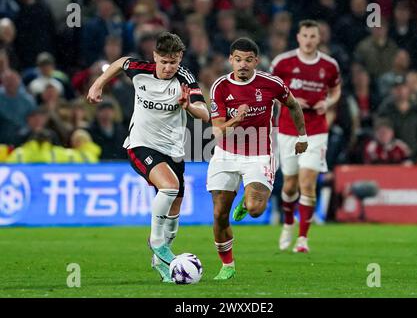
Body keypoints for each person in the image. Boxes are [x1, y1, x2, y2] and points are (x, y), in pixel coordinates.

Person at [87, 32, 209, 282]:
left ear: (180, 59)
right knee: (170, 187)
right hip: (140, 145)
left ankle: (160, 261)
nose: (167, 67)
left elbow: (205, 115)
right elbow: (121, 62)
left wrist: (189, 107)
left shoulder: (185, 79)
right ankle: (157, 244)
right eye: (163, 61)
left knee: (175, 209)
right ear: (155, 57)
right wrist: (98, 84)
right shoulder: (140, 70)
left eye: (173, 62)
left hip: (173, 150)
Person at [208, 37, 308, 280]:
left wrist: (302, 135)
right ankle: (227, 265)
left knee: (254, 210)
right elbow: (217, 130)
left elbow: (294, 105)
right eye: (238, 59)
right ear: (230, 60)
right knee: (220, 215)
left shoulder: (271, 84)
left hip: (259, 155)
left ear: (257, 61)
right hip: (226, 154)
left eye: (248, 60)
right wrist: (237, 119)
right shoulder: (219, 87)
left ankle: (246, 200)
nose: (243, 65)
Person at [270, 20, 341, 253]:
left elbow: (335, 89)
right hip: (289, 130)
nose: (309, 40)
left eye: (313, 36)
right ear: (298, 37)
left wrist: (327, 102)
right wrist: (289, 100)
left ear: (318, 39)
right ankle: (288, 223)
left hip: (316, 130)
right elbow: (270, 91)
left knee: (307, 182)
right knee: (289, 185)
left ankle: (302, 239)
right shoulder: (282, 63)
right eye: (305, 36)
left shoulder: (329, 65)